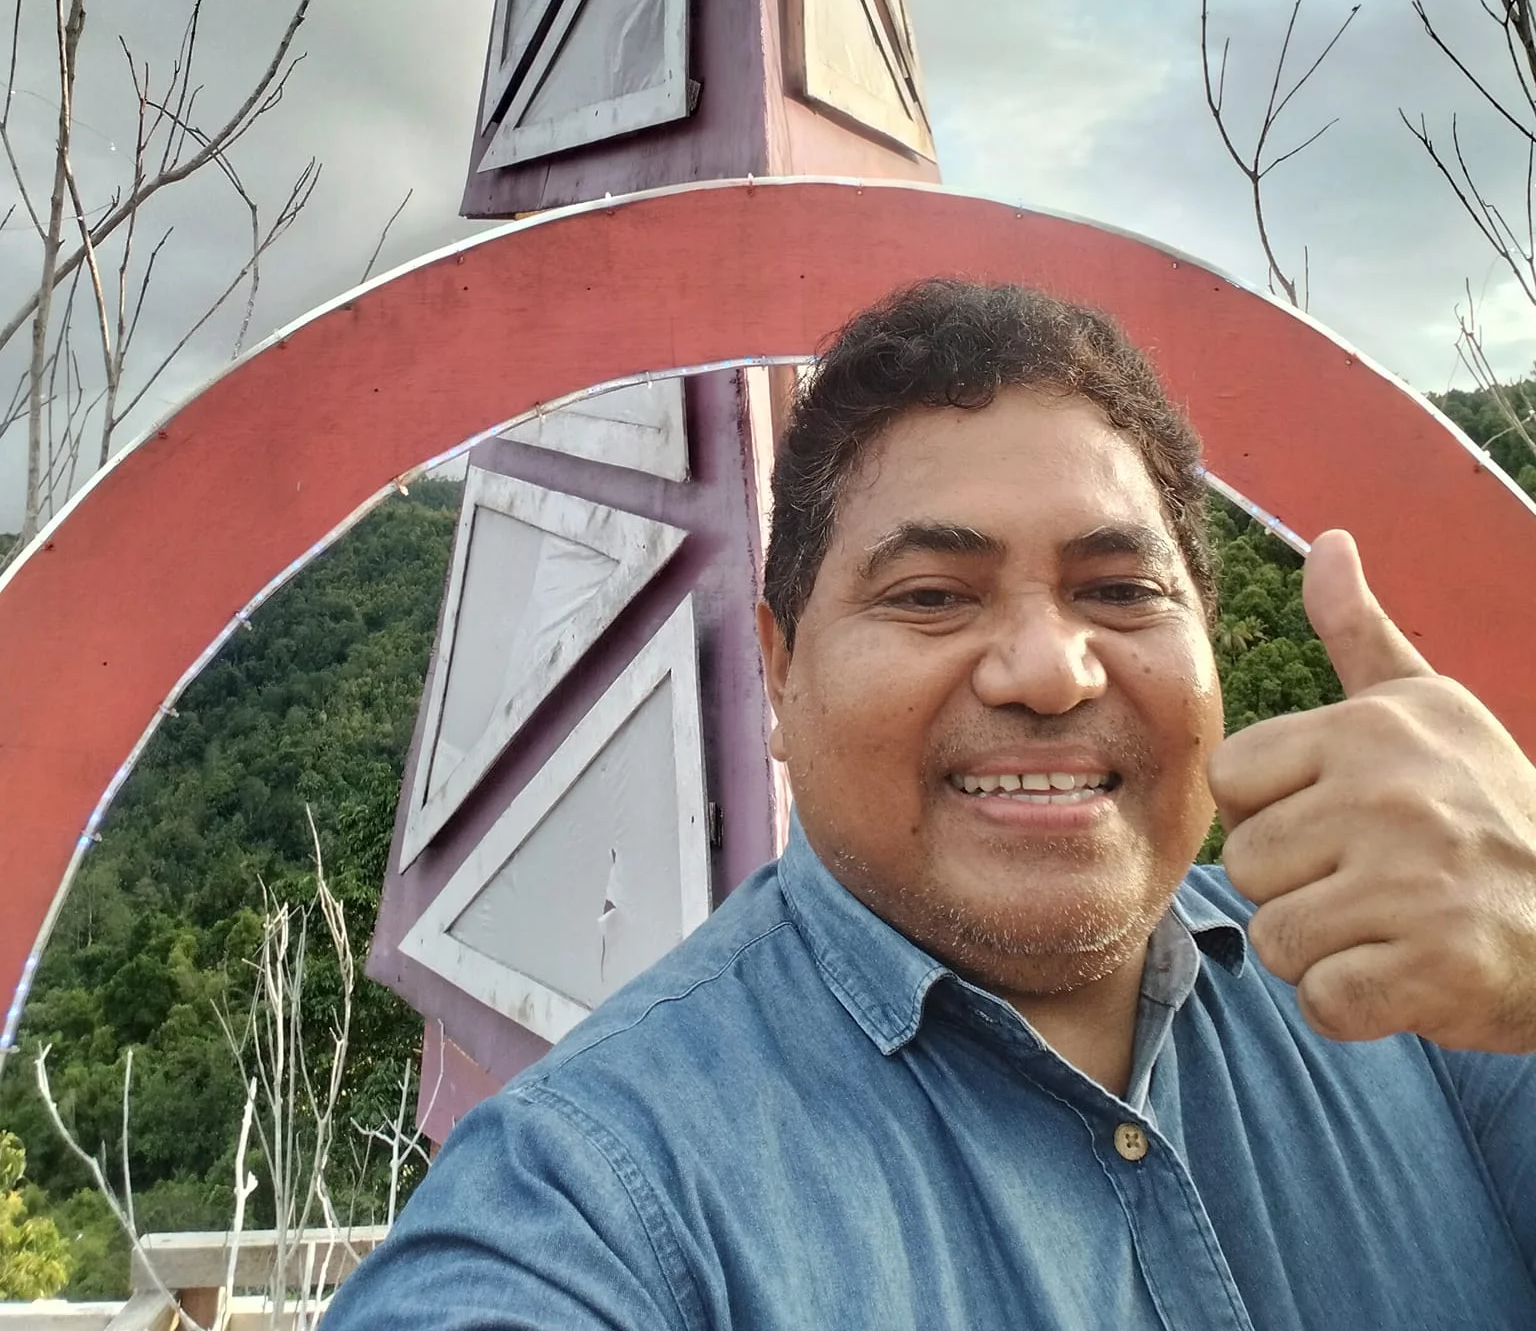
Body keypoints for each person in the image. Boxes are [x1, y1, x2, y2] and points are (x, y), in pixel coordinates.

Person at [327, 280, 1536, 1328]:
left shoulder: (1441, 1001)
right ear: (780, 668)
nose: (1051, 669)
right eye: (930, 594)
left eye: (1119, 588)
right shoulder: (593, 1193)